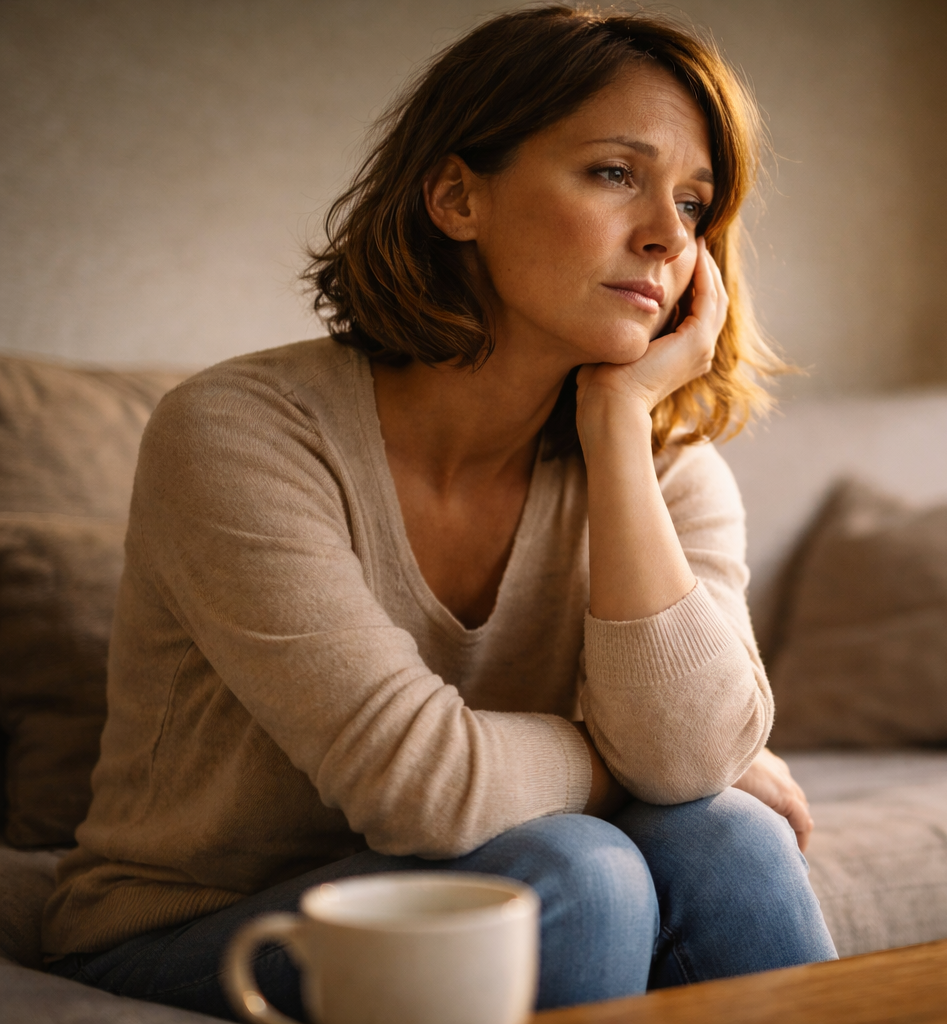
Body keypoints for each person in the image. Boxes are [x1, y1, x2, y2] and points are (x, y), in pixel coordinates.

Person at [41, 6, 837, 1017]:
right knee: (573, 869)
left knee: (726, 836)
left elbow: (688, 768)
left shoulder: (660, 460)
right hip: (199, 927)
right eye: (613, 173)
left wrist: (620, 422)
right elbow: (425, 788)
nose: (667, 237)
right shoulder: (238, 432)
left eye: (694, 202)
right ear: (458, 196)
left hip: (479, 873)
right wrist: (622, 763)